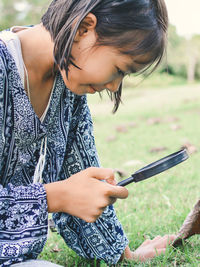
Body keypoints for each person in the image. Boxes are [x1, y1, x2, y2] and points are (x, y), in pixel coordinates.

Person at [0, 0, 176, 265]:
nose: (115, 86)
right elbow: (67, 192)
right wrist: (56, 196)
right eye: (119, 69)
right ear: (84, 28)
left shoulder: (70, 86)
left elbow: (81, 170)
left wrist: (122, 253)